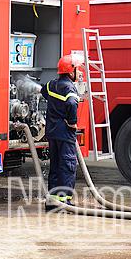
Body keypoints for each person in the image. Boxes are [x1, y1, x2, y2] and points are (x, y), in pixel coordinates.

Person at [44, 53, 84, 211]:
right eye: (78, 69)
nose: (79, 72)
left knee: (55, 166)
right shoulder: (69, 88)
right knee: (67, 166)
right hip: (65, 133)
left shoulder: (52, 84)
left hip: (52, 132)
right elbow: (72, 103)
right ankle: (65, 202)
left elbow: (43, 92)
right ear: (71, 71)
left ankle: (52, 201)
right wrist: (73, 122)